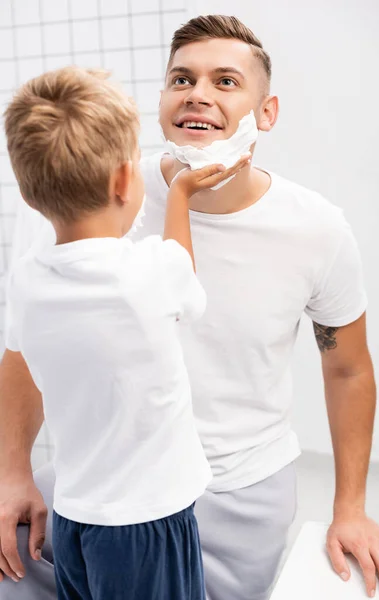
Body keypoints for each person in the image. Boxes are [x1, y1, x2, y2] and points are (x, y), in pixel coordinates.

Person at [0, 14, 379, 600]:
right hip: (101, 488)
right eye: (182, 79)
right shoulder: (89, 196)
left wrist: (351, 508)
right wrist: (12, 472)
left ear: (267, 114)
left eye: (226, 82)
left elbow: (347, 367)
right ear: (162, 100)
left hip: (238, 495)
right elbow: (25, 349)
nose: (199, 93)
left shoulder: (316, 229)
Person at [1, 65, 248, 599]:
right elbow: (183, 269)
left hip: (74, 519)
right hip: (147, 525)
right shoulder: (149, 274)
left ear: (27, 194)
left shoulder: (27, 281)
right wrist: (179, 196)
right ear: (122, 181)